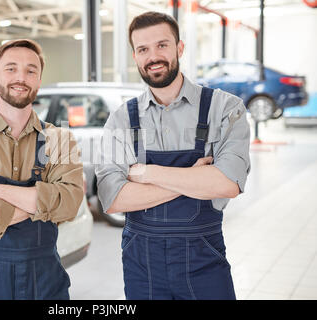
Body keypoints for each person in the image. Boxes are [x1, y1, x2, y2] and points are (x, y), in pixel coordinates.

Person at [95, 12, 250, 300]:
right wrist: (195, 178)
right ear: (135, 56)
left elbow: (227, 183)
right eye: (143, 49)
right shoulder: (121, 119)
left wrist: (144, 173)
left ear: (180, 48)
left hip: (204, 259)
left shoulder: (225, 109)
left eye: (162, 45)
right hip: (142, 265)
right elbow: (114, 199)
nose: (153, 56)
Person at [0, 39, 84, 300]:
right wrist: (42, 205)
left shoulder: (59, 139)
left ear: (39, 81)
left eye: (31, 71)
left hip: (45, 278)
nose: (21, 77)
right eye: (11, 69)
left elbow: (70, 204)